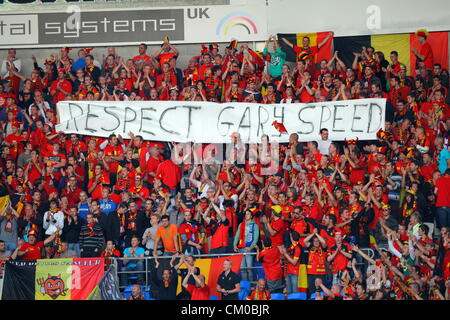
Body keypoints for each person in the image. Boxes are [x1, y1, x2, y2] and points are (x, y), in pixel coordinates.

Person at [233, 209, 259, 281]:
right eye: (245, 214)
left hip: (249, 249)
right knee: (242, 269)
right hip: (241, 248)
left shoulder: (255, 226)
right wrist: (234, 245)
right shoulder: (241, 224)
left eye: (248, 214)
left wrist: (250, 247)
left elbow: (256, 238)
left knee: (249, 269)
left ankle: (251, 285)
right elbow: (237, 236)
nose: (246, 215)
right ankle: (245, 285)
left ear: (251, 216)